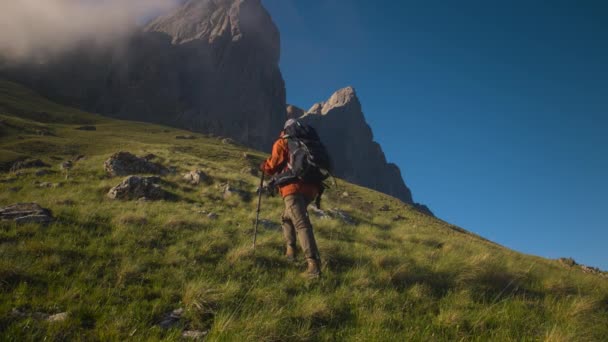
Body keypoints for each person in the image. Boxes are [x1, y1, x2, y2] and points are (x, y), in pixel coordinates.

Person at [260, 119, 322, 278]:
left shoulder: (283, 142)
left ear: (285, 129)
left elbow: (273, 165)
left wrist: (264, 166)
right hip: (312, 188)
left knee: (301, 222)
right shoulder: (309, 142)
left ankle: (313, 265)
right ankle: (290, 251)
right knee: (287, 217)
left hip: (292, 188)